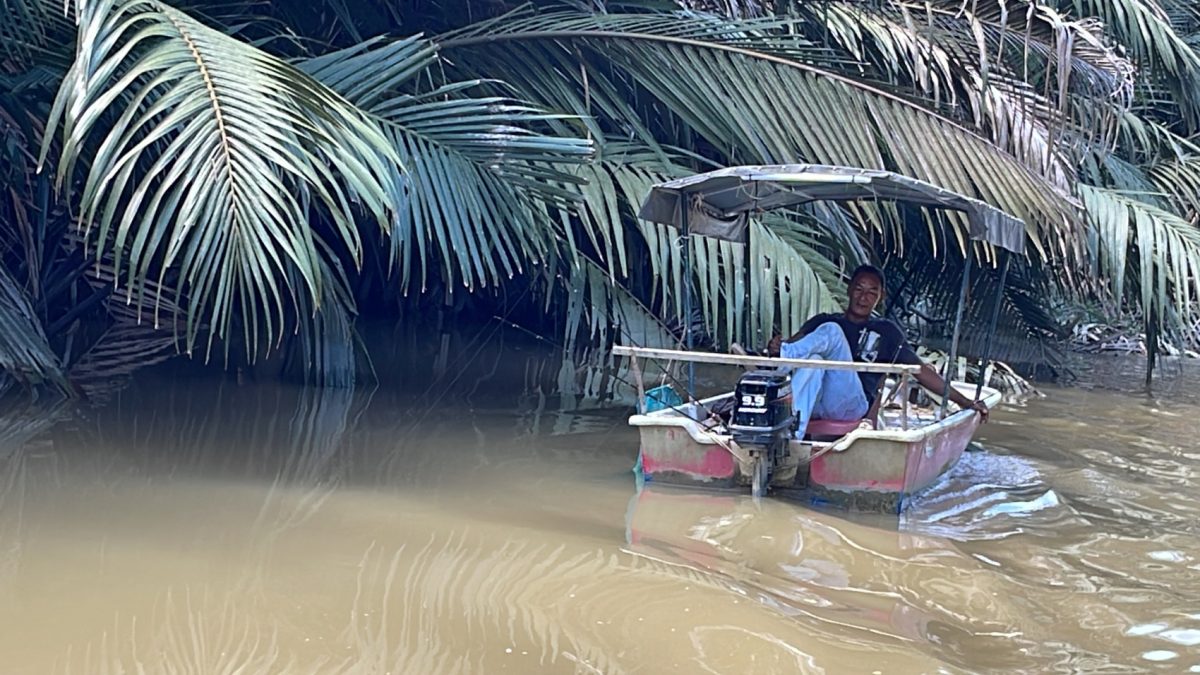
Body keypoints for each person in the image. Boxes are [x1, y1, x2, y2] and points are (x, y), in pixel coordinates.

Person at [765, 264, 989, 439]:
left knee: (829, 335)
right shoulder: (823, 321)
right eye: (859, 289)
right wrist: (776, 346)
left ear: (880, 297)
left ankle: (781, 365)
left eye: (872, 292)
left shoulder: (886, 332)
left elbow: (919, 371)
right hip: (813, 400)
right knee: (813, 359)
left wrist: (964, 401)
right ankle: (791, 436)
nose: (864, 297)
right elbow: (795, 343)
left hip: (851, 405)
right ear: (850, 289)